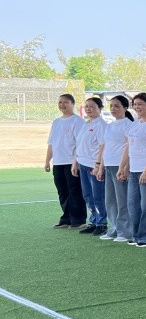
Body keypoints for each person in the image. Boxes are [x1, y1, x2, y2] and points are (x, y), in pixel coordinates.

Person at [118, 93, 146, 248]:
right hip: (134, 170)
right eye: (135, 104)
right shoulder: (134, 124)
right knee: (133, 205)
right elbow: (128, 147)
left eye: (141, 104)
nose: (137, 107)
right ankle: (137, 235)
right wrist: (122, 167)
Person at [45, 93, 87, 229]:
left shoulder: (78, 121)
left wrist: (76, 161)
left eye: (65, 102)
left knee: (74, 190)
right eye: (60, 102)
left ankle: (78, 219)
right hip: (58, 162)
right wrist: (47, 161)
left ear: (72, 104)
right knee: (62, 191)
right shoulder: (56, 122)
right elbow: (51, 143)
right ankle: (66, 218)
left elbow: (80, 144)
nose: (62, 105)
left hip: (72, 162)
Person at [96, 95, 134, 242]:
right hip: (109, 165)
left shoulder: (128, 125)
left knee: (122, 200)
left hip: (120, 166)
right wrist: (101, 167)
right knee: (110, 200)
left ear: (125, 108)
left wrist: (124, 167)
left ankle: (125, 231)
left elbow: (129, 147)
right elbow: (105, 147)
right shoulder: (110, 126)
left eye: (117, 106)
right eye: (111, 106)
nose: (113, 109)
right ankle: (115, 228)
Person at [72, 97, 108, 235]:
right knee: (87, 195)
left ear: (100, 108)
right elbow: (79, 145)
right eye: (86, 106)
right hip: (83, 164)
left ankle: (102, 223)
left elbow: (103, 146)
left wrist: (98, 165)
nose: (88, 109)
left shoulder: (101, 125)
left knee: (98, 196)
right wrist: (75, 162)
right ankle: (93, 221)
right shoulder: (86, 124)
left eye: (92, 106)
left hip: (93, 165)